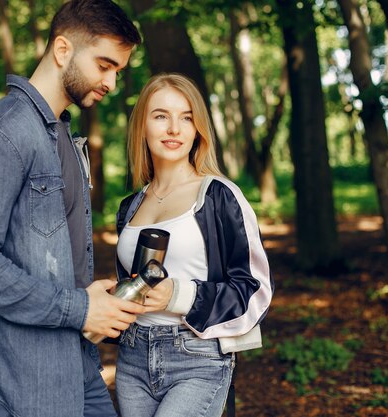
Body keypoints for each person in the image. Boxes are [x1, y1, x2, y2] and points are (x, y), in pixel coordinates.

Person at [0, 1, 143, 416]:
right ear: (63, 50)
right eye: (104, 65)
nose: (111, 82)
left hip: (73, 362)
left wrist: (90, 297)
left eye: (118, 71)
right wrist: (80, 307)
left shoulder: (60, 135)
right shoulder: (3, 133)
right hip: (16, 380)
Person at [113, 73, 274, 417]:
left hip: (196, 357)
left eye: (186, 117)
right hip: (132, 358)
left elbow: (255, 290)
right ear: (142, 125)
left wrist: (178, 295)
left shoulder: (219, 196)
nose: (174, 128)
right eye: (161, 116)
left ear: (198, 128)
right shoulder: (130, 206)